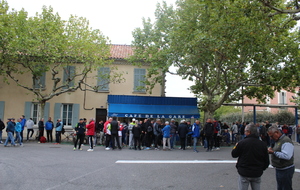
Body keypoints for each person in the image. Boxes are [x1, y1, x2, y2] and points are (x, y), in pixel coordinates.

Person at [231, 124, 269, 190]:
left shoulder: (242, 143)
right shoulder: (262, 144)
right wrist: (262, 168)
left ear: (249, 132)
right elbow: (266, 160)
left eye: (245, 131)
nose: (244, 133)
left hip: (244, 171)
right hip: (257, 172)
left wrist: (235, 147)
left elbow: (234, 154)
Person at [267, 125, 294, 190]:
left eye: (272, 136)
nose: (271, 138)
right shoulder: (278, 140)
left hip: (286, 169)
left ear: (277, 132)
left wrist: (273, 152)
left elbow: (287, 156)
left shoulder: (286, 141)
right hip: (280, 169)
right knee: (280, 187)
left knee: (286, 187)